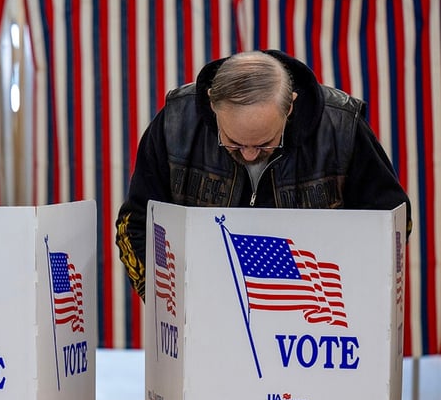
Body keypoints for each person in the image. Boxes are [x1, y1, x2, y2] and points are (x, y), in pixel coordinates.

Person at [115, 49, 411, 299]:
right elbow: (137, 223)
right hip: (205, 312)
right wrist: (167, 301)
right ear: (211, 104)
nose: (249, 154)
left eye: (265, 143)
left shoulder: (340, 127)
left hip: (316, 316)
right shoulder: (176, 123)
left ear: (291, 106)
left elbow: (392, 224)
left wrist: (345, 296)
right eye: (232, 141)